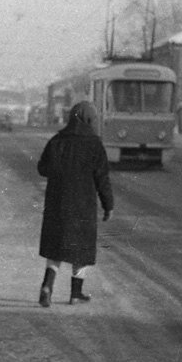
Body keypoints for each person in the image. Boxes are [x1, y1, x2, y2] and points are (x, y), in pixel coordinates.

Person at [37, 101, 114, 307]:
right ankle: (75, 293)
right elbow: (102, 179)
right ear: (90, 120)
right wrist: (108, 205)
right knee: (81, 250)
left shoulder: (57, 140)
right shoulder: (95, 144)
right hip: (83, 206)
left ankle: (47, 286)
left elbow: (42, 169)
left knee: (56, 248)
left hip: (57, 204)